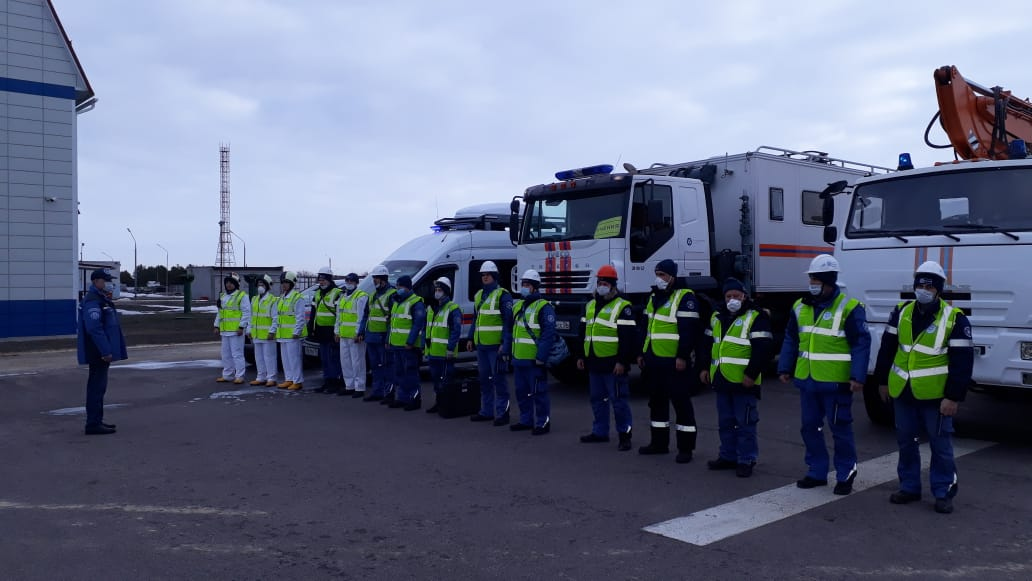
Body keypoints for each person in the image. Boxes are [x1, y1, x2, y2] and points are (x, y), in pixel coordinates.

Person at [874, 261, 973, 514]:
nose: (923, 289)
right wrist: (882, 381)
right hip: (903, 392)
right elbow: (887, 348)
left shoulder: (954, 319)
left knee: (941, 447)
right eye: (920, 284)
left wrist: (953, 397)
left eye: (929, 285)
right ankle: (909, 487)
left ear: (938, 289)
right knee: (906, 441)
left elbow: (963, 363)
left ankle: (943, 492)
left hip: (935, 397)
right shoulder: (901, 312)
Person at [778, 254, 870, 495]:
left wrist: (857, 376)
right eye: (811, 279)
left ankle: (845, 473)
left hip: (836, 384)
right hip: (808, 382)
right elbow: (791, 338)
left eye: (816, 279)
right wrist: (785, 367)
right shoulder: (800, 307)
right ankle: (817, 472)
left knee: (840, 429)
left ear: (829, 281)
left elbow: (860, 343)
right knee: (810, 428)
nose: (812, 283)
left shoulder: (850, 308)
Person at [698, 278, 773, 477]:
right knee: (725, 422)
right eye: (728, 296)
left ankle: (746, 459)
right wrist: (704, 368)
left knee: (746, 423)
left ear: (744, 296)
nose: (732, 299)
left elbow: (763, 349)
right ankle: (728, 456)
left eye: (736, 296)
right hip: (722, 379)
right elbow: (707, 344)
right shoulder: (716, 316)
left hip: (743, 382)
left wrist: (751, 374)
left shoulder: (755, 316)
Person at [637, 259, 702, 463]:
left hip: (674, 362)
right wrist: (641, 353)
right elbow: (645, 328)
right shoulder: (653, 297)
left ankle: (686, 449)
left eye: (663, 275)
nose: (659, 278)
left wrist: (682, 356)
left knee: (681, 404)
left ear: (673, 276)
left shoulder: (685, 297)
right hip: (654, 359)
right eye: (657, 274)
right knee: (656, 403)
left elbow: (688, 330)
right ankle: (659, 443)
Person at [576, 265, 637, 451]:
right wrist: (580, 356)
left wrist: (622, 362)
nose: (602, 286)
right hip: (594, 362)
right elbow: (582, 333)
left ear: (612, 285)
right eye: (600, 282)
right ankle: (600, 432)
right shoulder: (590, 304)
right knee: (597, 400)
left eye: (605, 283)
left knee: (619, 402)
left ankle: (624, 436)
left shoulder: (623, 306)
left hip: (613, 364)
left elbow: (628, 338)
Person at [77, 269, 127, 435]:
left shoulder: (100, 299)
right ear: (96, 282)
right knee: (96, 388)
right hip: (97, 352)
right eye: (106, 281)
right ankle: (92, 424)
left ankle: (96, 420)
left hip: (99, 351)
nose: (109, 284)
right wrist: (105, 351)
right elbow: (94, 329)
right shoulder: (93, 301)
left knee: (99, 387)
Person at [466, 261, 515, 426]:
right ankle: (486, 411)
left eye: (487, 275)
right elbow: (476, 318)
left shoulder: (503, 295)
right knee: (484, 380)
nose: (484, 277)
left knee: (499, 380)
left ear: (494, 276)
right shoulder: (479, 295)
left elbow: (508, 323)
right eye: (482, 275)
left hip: (496, 347)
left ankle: (503, 413)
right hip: (482, 346)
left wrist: (504, 344)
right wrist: (471, 337)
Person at [509, 270, 557, 435]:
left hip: (534, 360)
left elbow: (548, 334)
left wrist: (541, 357)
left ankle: (543, 422)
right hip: (518, 359)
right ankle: (525, 420)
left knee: (539, 392)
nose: (524, 288)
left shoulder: (544, 307)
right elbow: (511, 330)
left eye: (527, 285)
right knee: (521, 392)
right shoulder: (517, 305)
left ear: (535, 288)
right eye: (523, 284)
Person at [387, 275, 426, 410]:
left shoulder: (416, 302)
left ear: (408, 287)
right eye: (397, 286)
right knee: (399, 373)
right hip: (397, 344)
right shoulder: (397, 301)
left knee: (410, 373)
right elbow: (392, 323)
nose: (398, 289)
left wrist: (410, 342)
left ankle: (415, 399)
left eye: (400, 286)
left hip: (408, 346)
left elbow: (417, 324)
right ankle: (402, 398)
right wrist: (388, 339)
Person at [358, 265, 396, 402]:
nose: (374, 281)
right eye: (373, 278)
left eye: (376, 278)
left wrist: (389, 337)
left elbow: (393, 319)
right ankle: (377, 391)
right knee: (375, 366)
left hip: (383, 337)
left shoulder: (392, 294)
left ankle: (389, 392)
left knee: (387, 365)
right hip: (371, 336)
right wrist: (361, 331)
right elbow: (365, 316)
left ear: (383, 279)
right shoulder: (373, 295)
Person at [425, 276, 463, 414]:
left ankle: (447, 404)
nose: (437, 292)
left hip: (445, 353)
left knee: (446, 380)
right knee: (436, 380)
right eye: (436, 289)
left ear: (446, 291)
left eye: (440, 289)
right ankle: (439, 402)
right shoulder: (432, 308)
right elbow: (428, 329)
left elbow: (456, 330)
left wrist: (451, 348)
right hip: (433, 352)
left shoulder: (453, 308)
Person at [214, 272, 251, 385]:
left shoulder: (242, 296)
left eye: (231, 283)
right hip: (225, 331)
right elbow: (220, 313)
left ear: (236, 284)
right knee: (225, 354)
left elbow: (246, 312)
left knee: (237, 354)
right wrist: (216, 325)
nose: (229, 285)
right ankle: (227, 375)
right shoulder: (223, 297)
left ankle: (240, 376)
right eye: (227, 283)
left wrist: (241, 327)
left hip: (236, 331)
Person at [310, 267, 343, 393]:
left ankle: (335, 382)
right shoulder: (318, 293)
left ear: (329, 279)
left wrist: (337, 331)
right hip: (320, 330)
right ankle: (327, 381)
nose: (321, 282)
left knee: (333, 358)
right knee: (324, 358)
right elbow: (314, 312)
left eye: (323, 279)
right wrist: (311, 327)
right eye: (320, 280)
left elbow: (340, 314)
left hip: (332, 331)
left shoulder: (337, 293)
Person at [335, 272, 368, 398]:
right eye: (347, 281)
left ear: (356, 283)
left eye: (351, 281)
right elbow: (339, 316)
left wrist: (359, 333)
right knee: (346, 362)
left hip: (355, 337)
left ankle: (359, 387)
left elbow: (361, 317)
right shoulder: (343, 297)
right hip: (343, 335)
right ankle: (349, 385)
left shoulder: (361, 296)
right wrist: (336, 332)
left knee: (358, 362)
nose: (349, 284)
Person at [276, 271, 307, 391]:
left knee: (294, 359)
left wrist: (297, 332)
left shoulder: (297, 297)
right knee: (285, 359)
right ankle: (289, 379)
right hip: (283, 334)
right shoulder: (282, 298)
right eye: (282, 283)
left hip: (293, 335)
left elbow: (300, 317)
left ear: (292, 284)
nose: (284, 285)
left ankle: (297, 381)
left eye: (286, 283)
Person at [249, 274, 280, 387]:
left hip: (268, 335)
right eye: (258, 284)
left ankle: (271, 378)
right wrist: (249, 330)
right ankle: (261, 377)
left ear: (267, 286)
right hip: (257, 334)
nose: (259, 286)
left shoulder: (272, 300)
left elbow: (275, 318)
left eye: (262, 284)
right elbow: (251, 316)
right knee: (259, 357)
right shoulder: (254, 299)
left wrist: (272, 331)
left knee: (269, 357)